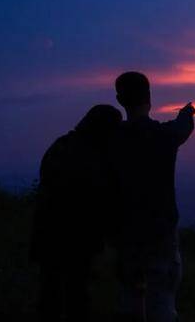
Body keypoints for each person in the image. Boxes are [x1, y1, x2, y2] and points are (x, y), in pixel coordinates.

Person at [112, 71, 195, 322]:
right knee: (161, 300)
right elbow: (182, 127)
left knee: (130, 297)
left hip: (124, 230)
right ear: (149, 98)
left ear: (119, 99)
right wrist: (186, 113)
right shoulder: (163, 136)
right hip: (160, 230)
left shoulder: (112, 139)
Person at [31, 104, 123, 322]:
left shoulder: (60, 146)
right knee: (76, 295)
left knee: (50, 291)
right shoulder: (92, 157)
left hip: (48, 234)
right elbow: (100, 198)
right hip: (76, 239)